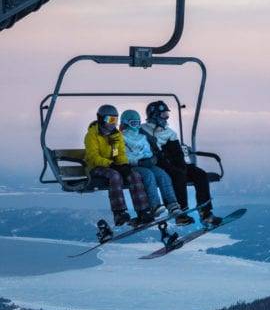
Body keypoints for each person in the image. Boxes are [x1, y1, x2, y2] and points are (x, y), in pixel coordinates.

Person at [140, 100, 222, 226]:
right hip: (158, 164)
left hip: (174, 163)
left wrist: (182, 165)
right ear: (154, 115)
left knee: (200, 174)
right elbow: (152, 153)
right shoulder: (144, 132)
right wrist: (177, 168)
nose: (166, 117)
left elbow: (177, 154)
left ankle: (205, 211)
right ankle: (181, 213)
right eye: (163, 115)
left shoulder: (169, 132)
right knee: (178, 175)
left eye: (167, 114)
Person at [84, 105, 153, 240]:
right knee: (115, 176)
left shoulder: (115, 135)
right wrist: (110, 164)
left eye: (115, 120)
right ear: (101, 119)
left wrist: (123, 164)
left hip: (112, 164)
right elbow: (93, 156)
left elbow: (118, 153)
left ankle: (143, 211)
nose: (113, 124)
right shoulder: (92, 135)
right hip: (96, 167)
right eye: (110, 120)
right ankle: (119, 212)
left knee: (133, 175)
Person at [120, 109, 181, 218]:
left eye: (138, 123)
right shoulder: (119, 139)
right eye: (133, 123)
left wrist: (150, 159)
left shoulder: (142, 137)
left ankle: (172, 204)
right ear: (125, 124)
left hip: (146, 164)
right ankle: (154, 205)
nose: (136, 126)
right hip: (132, 167)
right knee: (148, 175)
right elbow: (120, 156)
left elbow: (147, 151)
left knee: (163, 175)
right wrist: (136, 161)